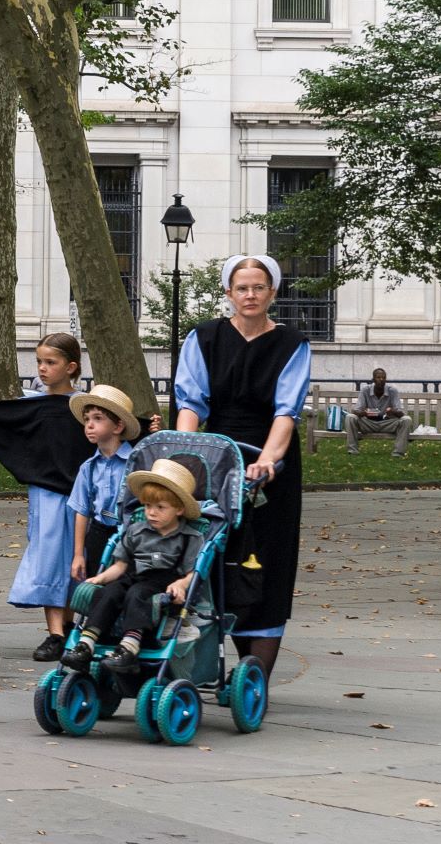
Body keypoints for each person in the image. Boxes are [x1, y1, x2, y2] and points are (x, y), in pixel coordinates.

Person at [174, 254, 312, 678]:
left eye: (258, 287)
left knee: (268, 558)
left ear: (272, 292)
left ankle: (258, 675)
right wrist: (185, 453)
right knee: (218, 557)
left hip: (268, 457)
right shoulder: (205, 337)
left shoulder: (292, 344)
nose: (249, 295)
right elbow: (190, 403)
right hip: (217, 455)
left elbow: (286, 412)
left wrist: (269, 460)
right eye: (241, 288)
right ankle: (234, 664)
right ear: (228, 292)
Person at [0, 333, 84, 661]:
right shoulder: (33, 405)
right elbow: (11, 428)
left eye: (50, 362)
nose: (42, 368)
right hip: (46, 495)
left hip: (82, 497)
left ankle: (70, 628)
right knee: (47, 558)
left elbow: (113, 429)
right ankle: (55, 634)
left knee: (77, 560)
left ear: (71, 367)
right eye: (40, 361)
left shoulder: (85, 407)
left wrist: (147, 428)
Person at [59, 458, 206, 674]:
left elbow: (192, 572)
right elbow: (120, 565)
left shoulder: (189, 537)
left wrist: (182, 585)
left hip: (164, 583)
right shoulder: (137, 530)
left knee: (138, 594)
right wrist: (100, 578)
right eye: (147, 506)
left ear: (179, 509)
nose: (151, 513)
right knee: (109, 592)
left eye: (160, 507)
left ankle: (129, 647)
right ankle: (86, 643)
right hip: (134, 575)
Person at [66, 384, 141, 582]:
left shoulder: (136, 463)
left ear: (118, 426)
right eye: (87, 419)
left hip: (130, 534)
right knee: (97, 588)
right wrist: (78, 554)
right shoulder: (88, 468)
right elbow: (82, 511)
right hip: (99, 534)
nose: (89, 425)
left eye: (98, 418)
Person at [348, 368, 412, 456]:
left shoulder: (392, 391)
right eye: (378, 377)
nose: (381, 380)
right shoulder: (365, 390)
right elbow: (356, 410)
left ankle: (398, 453)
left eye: (383, 377)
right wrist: (364, 413)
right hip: (368, 423)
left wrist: (392, 411)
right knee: (350, 417)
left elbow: (401, 414)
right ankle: (353, 451)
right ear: (373, 379)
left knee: (406, 419)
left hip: (387, 423)